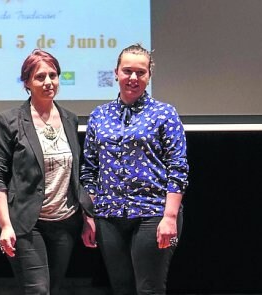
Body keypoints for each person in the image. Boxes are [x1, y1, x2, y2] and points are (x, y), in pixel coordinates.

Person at [80, 43, 189, 295]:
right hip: (108, 216)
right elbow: (89, 170)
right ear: (115, 73)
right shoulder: (99, 115)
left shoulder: (165, 114)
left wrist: (170, 218)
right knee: (121, 288)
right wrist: (88, 217)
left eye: (140, 72)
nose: (133, 78)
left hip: (155, 213)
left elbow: (178, 168)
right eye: (127, 71)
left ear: (149, 75)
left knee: (149, 288)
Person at [0, 49, 95, 295]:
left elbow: (76, 175)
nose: (48, 82)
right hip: (25, 222)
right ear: (26, 82)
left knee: (53, 289)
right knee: (38, 291)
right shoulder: (9, 121)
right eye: (40, 77)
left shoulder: (70, 118)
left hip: (65, 221)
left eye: (53, 75)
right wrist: (5, 225)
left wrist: (87, 216)